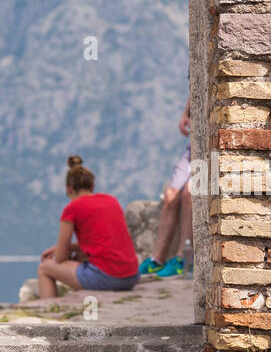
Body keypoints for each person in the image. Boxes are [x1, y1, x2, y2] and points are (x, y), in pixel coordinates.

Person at [37, 156, 139, 298]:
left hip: (108, 278)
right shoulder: (111, 200)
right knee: (80, 256)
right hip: (132, 276)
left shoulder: (72, 208)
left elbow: (60, 257)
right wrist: (71, 248)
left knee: (45, 268)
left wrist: (59, 249)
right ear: (92, 186)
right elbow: (103, 244)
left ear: (69, 190)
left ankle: (47, 312)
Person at [139, 98, 193, 279]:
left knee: (190, 193)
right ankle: (157, 259)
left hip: (211, 150)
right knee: (170, 195)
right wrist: (186, 113)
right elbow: (194, 87)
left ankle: (183, 259)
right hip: (192, 149)